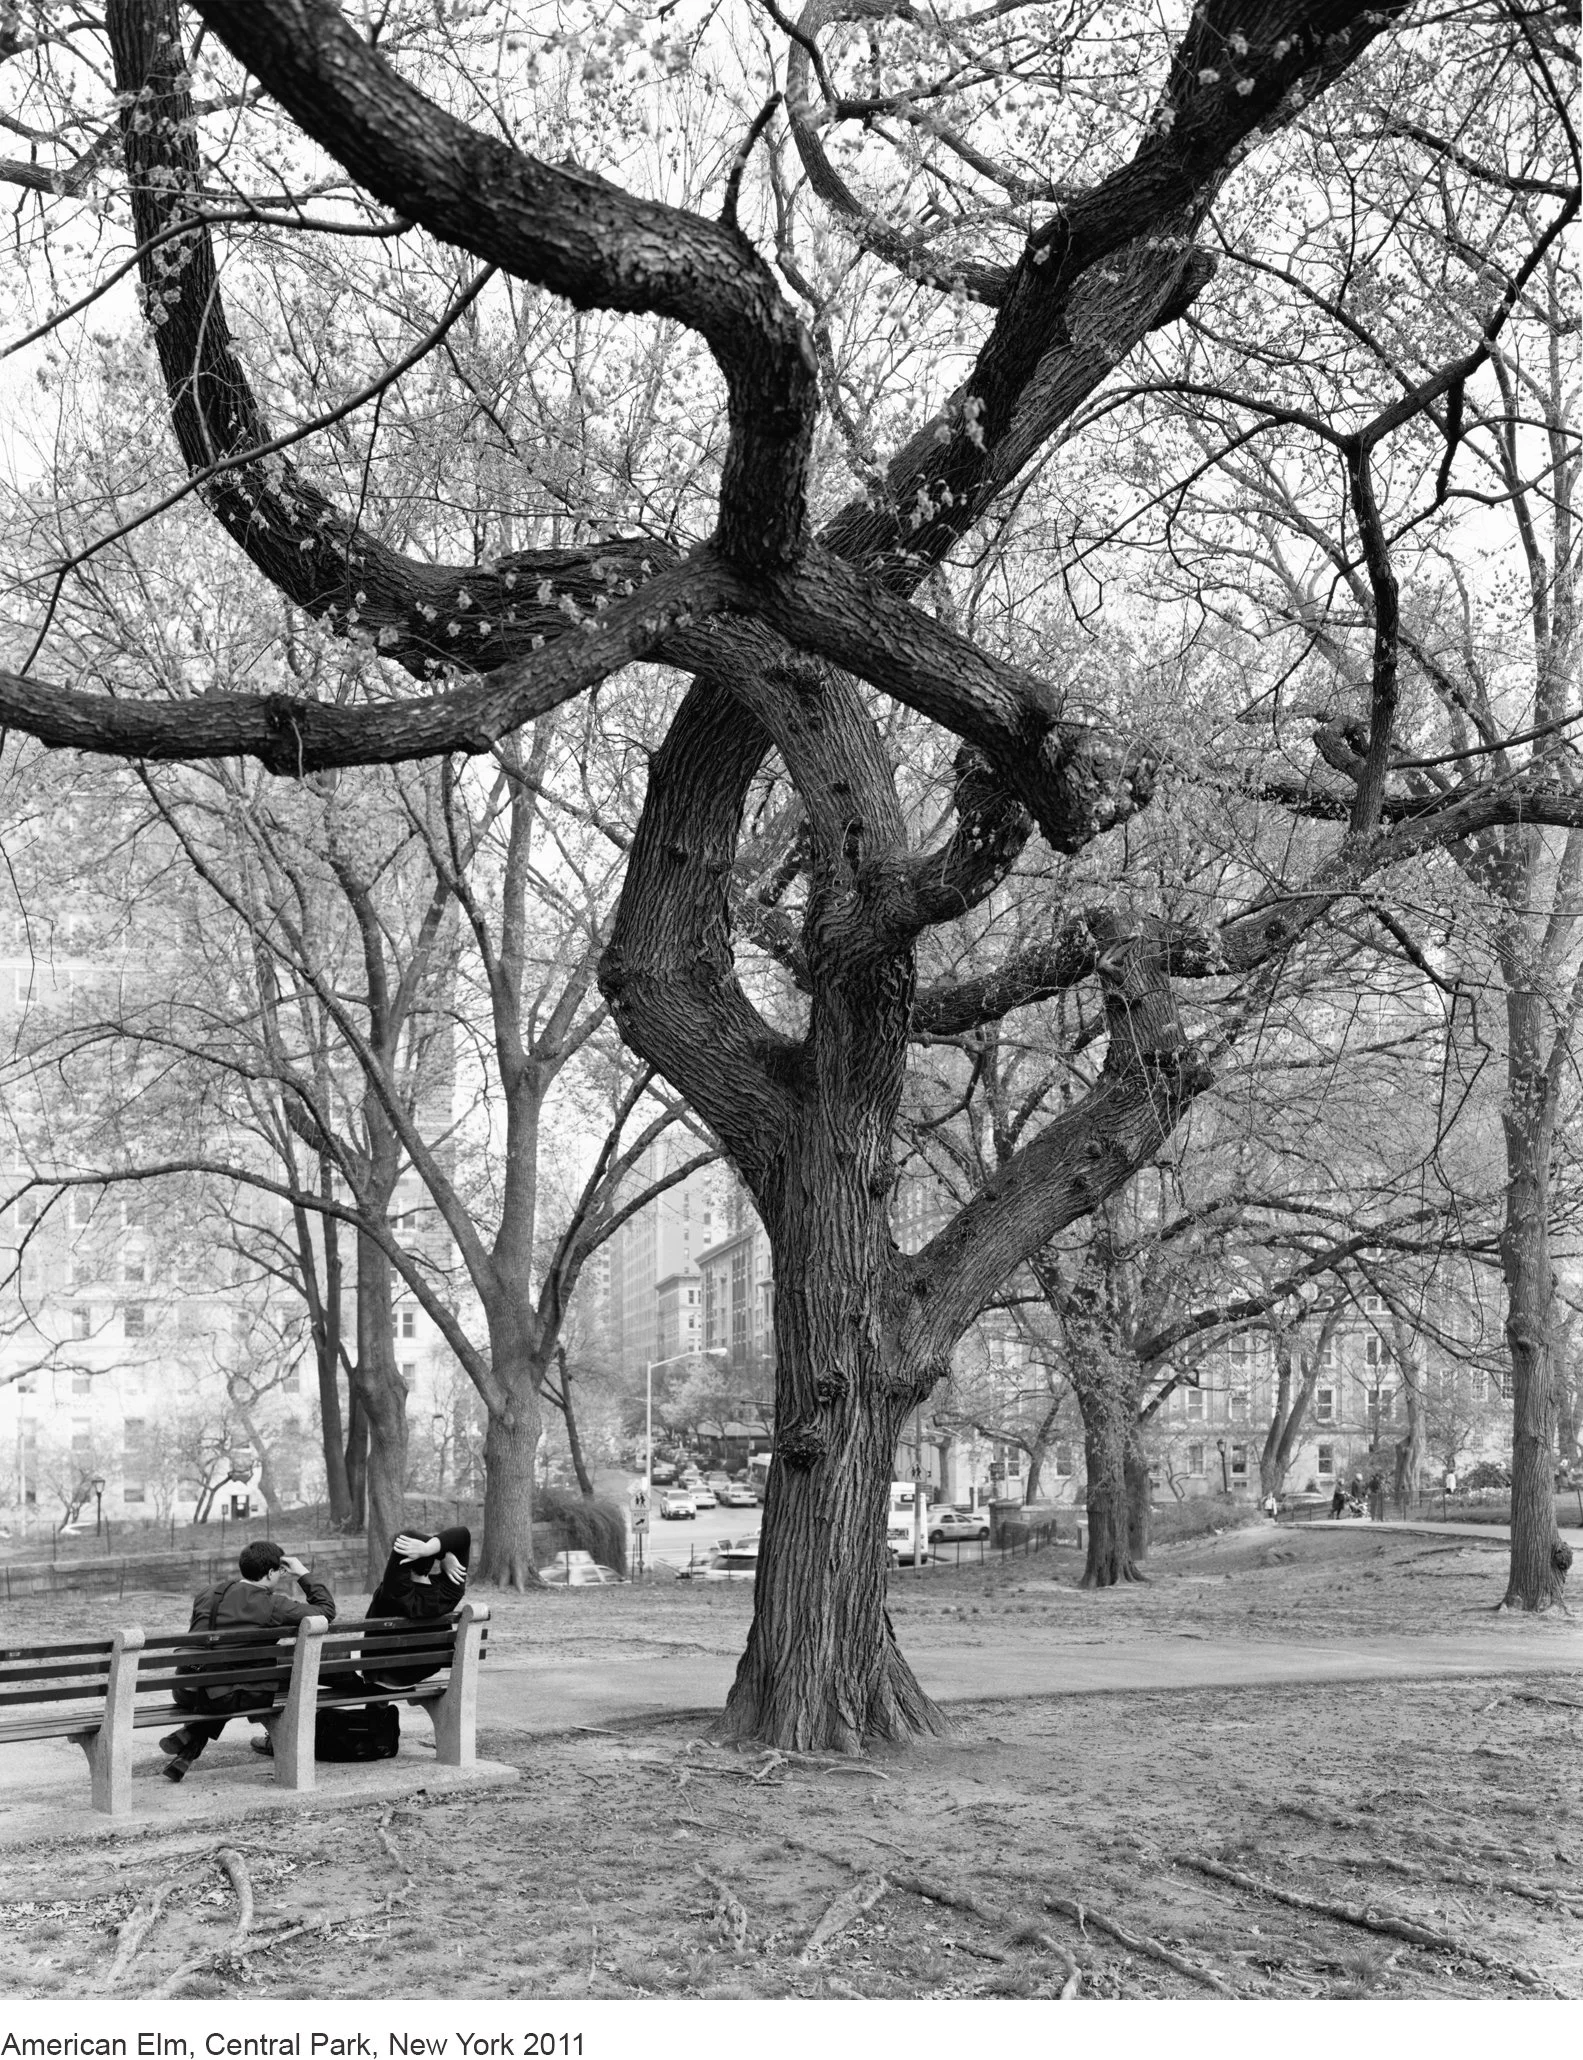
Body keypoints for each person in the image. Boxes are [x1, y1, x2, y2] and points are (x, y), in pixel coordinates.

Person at [159, 1540, 336, 1782]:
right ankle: (191, 1737)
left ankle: (190, 1744)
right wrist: (302, 1572)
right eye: (280, 1572)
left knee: (228, 1683)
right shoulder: (271, 1604)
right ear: (272, 1572)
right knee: (252, 1684)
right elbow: (326, 1612)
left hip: (187, 1689)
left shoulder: (208, 1593)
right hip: (228, 1695)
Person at [359, 1526, 471, 1688]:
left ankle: (379, 1710)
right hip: (427, 1670)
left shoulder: (394, 1593)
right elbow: (463, 1534)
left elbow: (406, 1537)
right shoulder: (449, 1593)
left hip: (386, 1675)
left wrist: (438, 1554)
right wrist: (433, 1550)